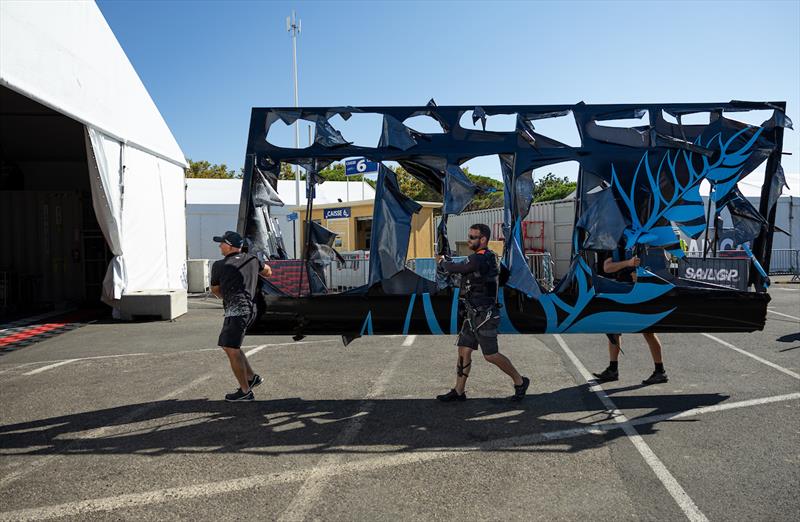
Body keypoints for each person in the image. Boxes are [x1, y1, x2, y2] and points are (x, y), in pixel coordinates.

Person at [435, 223, 530, 402]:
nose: (469, 240)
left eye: (472, 237)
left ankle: (520, 381)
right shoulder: (487, 257)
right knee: (463, 350)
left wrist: (441, 261)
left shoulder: (480, 258)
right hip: (472, 314)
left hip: (484, 315)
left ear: (483, 239)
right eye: (469, 236)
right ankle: (459, 391)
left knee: (490, 355)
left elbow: (457, 268)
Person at [210, 231, 272, 402]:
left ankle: (245, 392)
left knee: (231, 348)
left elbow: (215, 290)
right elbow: (268, 272)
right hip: (251, 309)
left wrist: (227, 297)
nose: (219, 245)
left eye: (221, 243)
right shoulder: (252, 259)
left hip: (237, 311)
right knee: (231, 346)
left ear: (229, 246)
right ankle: (252, 378)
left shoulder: (219, 265)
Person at [592, 247, 668, 385]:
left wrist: (642, 276)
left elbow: (661, 268)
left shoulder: (645, 242)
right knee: (613, 331)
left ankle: (660, 371)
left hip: (640, 293)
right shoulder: (616, 242)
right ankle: (613, 369)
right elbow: (607, 267)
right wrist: (628, 263)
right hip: (620, 292)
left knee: (648, 331)